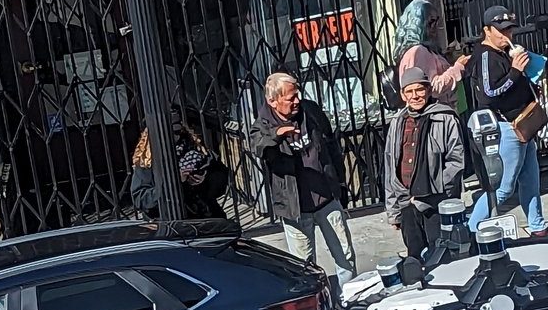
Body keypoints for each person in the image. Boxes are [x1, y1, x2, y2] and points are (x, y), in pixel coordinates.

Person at [248, 72, 357, 297]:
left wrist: (341, 184)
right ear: (273, 101)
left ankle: (351, 299)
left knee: (345, 255)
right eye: (290, 98)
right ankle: (316, 306)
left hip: (326, 199)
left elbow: (331, 145)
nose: (296, 101)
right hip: (296, 208)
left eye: (297, 95)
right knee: (304, 266)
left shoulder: (310, 110)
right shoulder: (263, 124)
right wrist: (278, 134)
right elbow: (257, 146)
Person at [465, 4, 547, 237]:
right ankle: (473, 227)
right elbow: (489, 93)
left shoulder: (503, 53)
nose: (506, 35)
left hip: (524, 123)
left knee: (531, 179)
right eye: (501, 30)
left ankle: (537, 225)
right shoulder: (484, 56)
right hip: (508, 127)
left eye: (509, 30)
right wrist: (515, 71)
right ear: (487, 30)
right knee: (503, 187)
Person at [384, 67, 465, 261]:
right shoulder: (398, 121)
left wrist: (437, 189)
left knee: (442, 256)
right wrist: (393, 211)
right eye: (409, 91)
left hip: (435, 203)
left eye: (419, 90)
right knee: (415, 259)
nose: (415, 96)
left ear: (428, 90)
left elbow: (456, 160)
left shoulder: (445, 117)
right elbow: (390, 165)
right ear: (403, 95)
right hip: (406, 203)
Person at [130, 113, 230, 221]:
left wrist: (203, 179)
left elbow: (222, 179)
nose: (175, 137)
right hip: (167, 221)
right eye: (168, 134)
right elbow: (141, 199)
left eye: (177, 132)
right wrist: (174, 182)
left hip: (204, 217)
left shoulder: (196, 149)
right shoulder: (147, 160)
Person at [391, 0, 469, 107]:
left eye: (437, 20)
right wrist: (457, 68)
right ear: (416, 23)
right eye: (431, 21)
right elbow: (432, 87)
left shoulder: (423, 49)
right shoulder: (418, 52)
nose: (435, 26)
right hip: (434, 114)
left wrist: (447, 59)